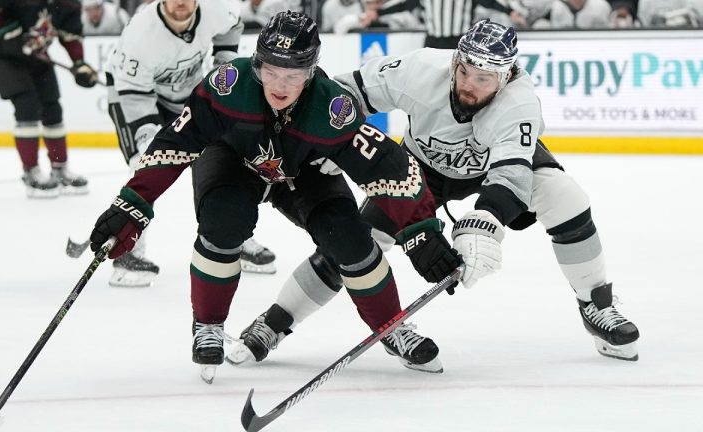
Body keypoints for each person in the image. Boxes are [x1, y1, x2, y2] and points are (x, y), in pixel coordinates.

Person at [231, 19, 640, 367]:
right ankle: (274, 322)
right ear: (455, 60)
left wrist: (485, 223)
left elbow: (512, 173)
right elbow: (345, 92)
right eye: (464, 71)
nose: (468, 85)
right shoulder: (420, 68)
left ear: (507, 75)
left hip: (490, 170)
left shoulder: (519, 103)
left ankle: (596, 304)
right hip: (420, 167)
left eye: (483, 78)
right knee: (354, 244)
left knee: (565, 195)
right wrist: (336, 138)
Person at [88, 11, 461, 383]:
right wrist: (133, 204)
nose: (279, 85)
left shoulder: (332, 108)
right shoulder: (227, 85)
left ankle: (391, 325)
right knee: (223, 222)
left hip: (304, 173)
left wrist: (422, 229)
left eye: (292, 75)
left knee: (350, 239)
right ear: (257, 63)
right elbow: (174, 142)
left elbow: (389, 166)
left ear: (311, 70)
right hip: (232, 160)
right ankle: (208, 324)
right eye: (270, 71)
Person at [104, 0, 275, 287]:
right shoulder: (140, 34)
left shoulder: (217, 9)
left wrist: (223, 62)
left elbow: (232, 27)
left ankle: (233, 237)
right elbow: (134, 95)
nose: (181, 2)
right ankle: (127, 253)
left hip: (186, 92)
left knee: (221, 157)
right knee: (145, 165)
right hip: (133, 95)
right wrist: (152, 140)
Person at [0, 0, 99, 198]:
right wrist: (8, 31)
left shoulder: (68, 3)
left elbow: (69, 33)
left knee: (52, 108)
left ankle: (60, 167)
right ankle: (31, 171)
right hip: (6, 56)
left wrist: (79, 62)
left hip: (38, 55)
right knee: (27, 105)